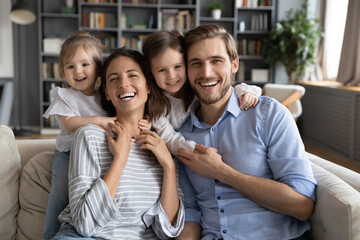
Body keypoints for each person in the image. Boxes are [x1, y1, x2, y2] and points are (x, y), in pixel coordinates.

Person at [176, 24, 317, 240]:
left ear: (234, 64)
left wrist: (221, 172)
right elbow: (191, 210)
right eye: (196, 63)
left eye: (216, 61)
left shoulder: (269, 114)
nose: (206, 73)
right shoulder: (180, 134)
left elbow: (302, 204)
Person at [51, 47, 184, 239]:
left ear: (148, 86)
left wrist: (169, 166)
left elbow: (167, 232)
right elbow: (84, 223)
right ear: (106, 93)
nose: (124, 84)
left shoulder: (164, 147)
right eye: (114, 79)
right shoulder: (89, 136)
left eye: (132, 75)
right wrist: (120, 159)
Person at [42, 31, 150, 239]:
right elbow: (71, 124)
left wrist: (148, 122)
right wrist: (99, 121)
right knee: (59, 195)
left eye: (84, 64)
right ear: (63, 72)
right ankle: (48, 234)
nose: (78, 71)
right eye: (70, 67)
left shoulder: (107, 94)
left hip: (96, 154)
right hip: (68, 154)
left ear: (98, 69)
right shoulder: (64, 96)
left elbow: (125, 115)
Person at [142, 29, 262, 155]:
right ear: (151, 73)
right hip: (178, 151)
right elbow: (169, 138)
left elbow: (225, 88)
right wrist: (195, 150)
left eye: (177, 67)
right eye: (161, 70)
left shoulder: (195, 87)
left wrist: (246, 91)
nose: (171, 76)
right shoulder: (155, 106)